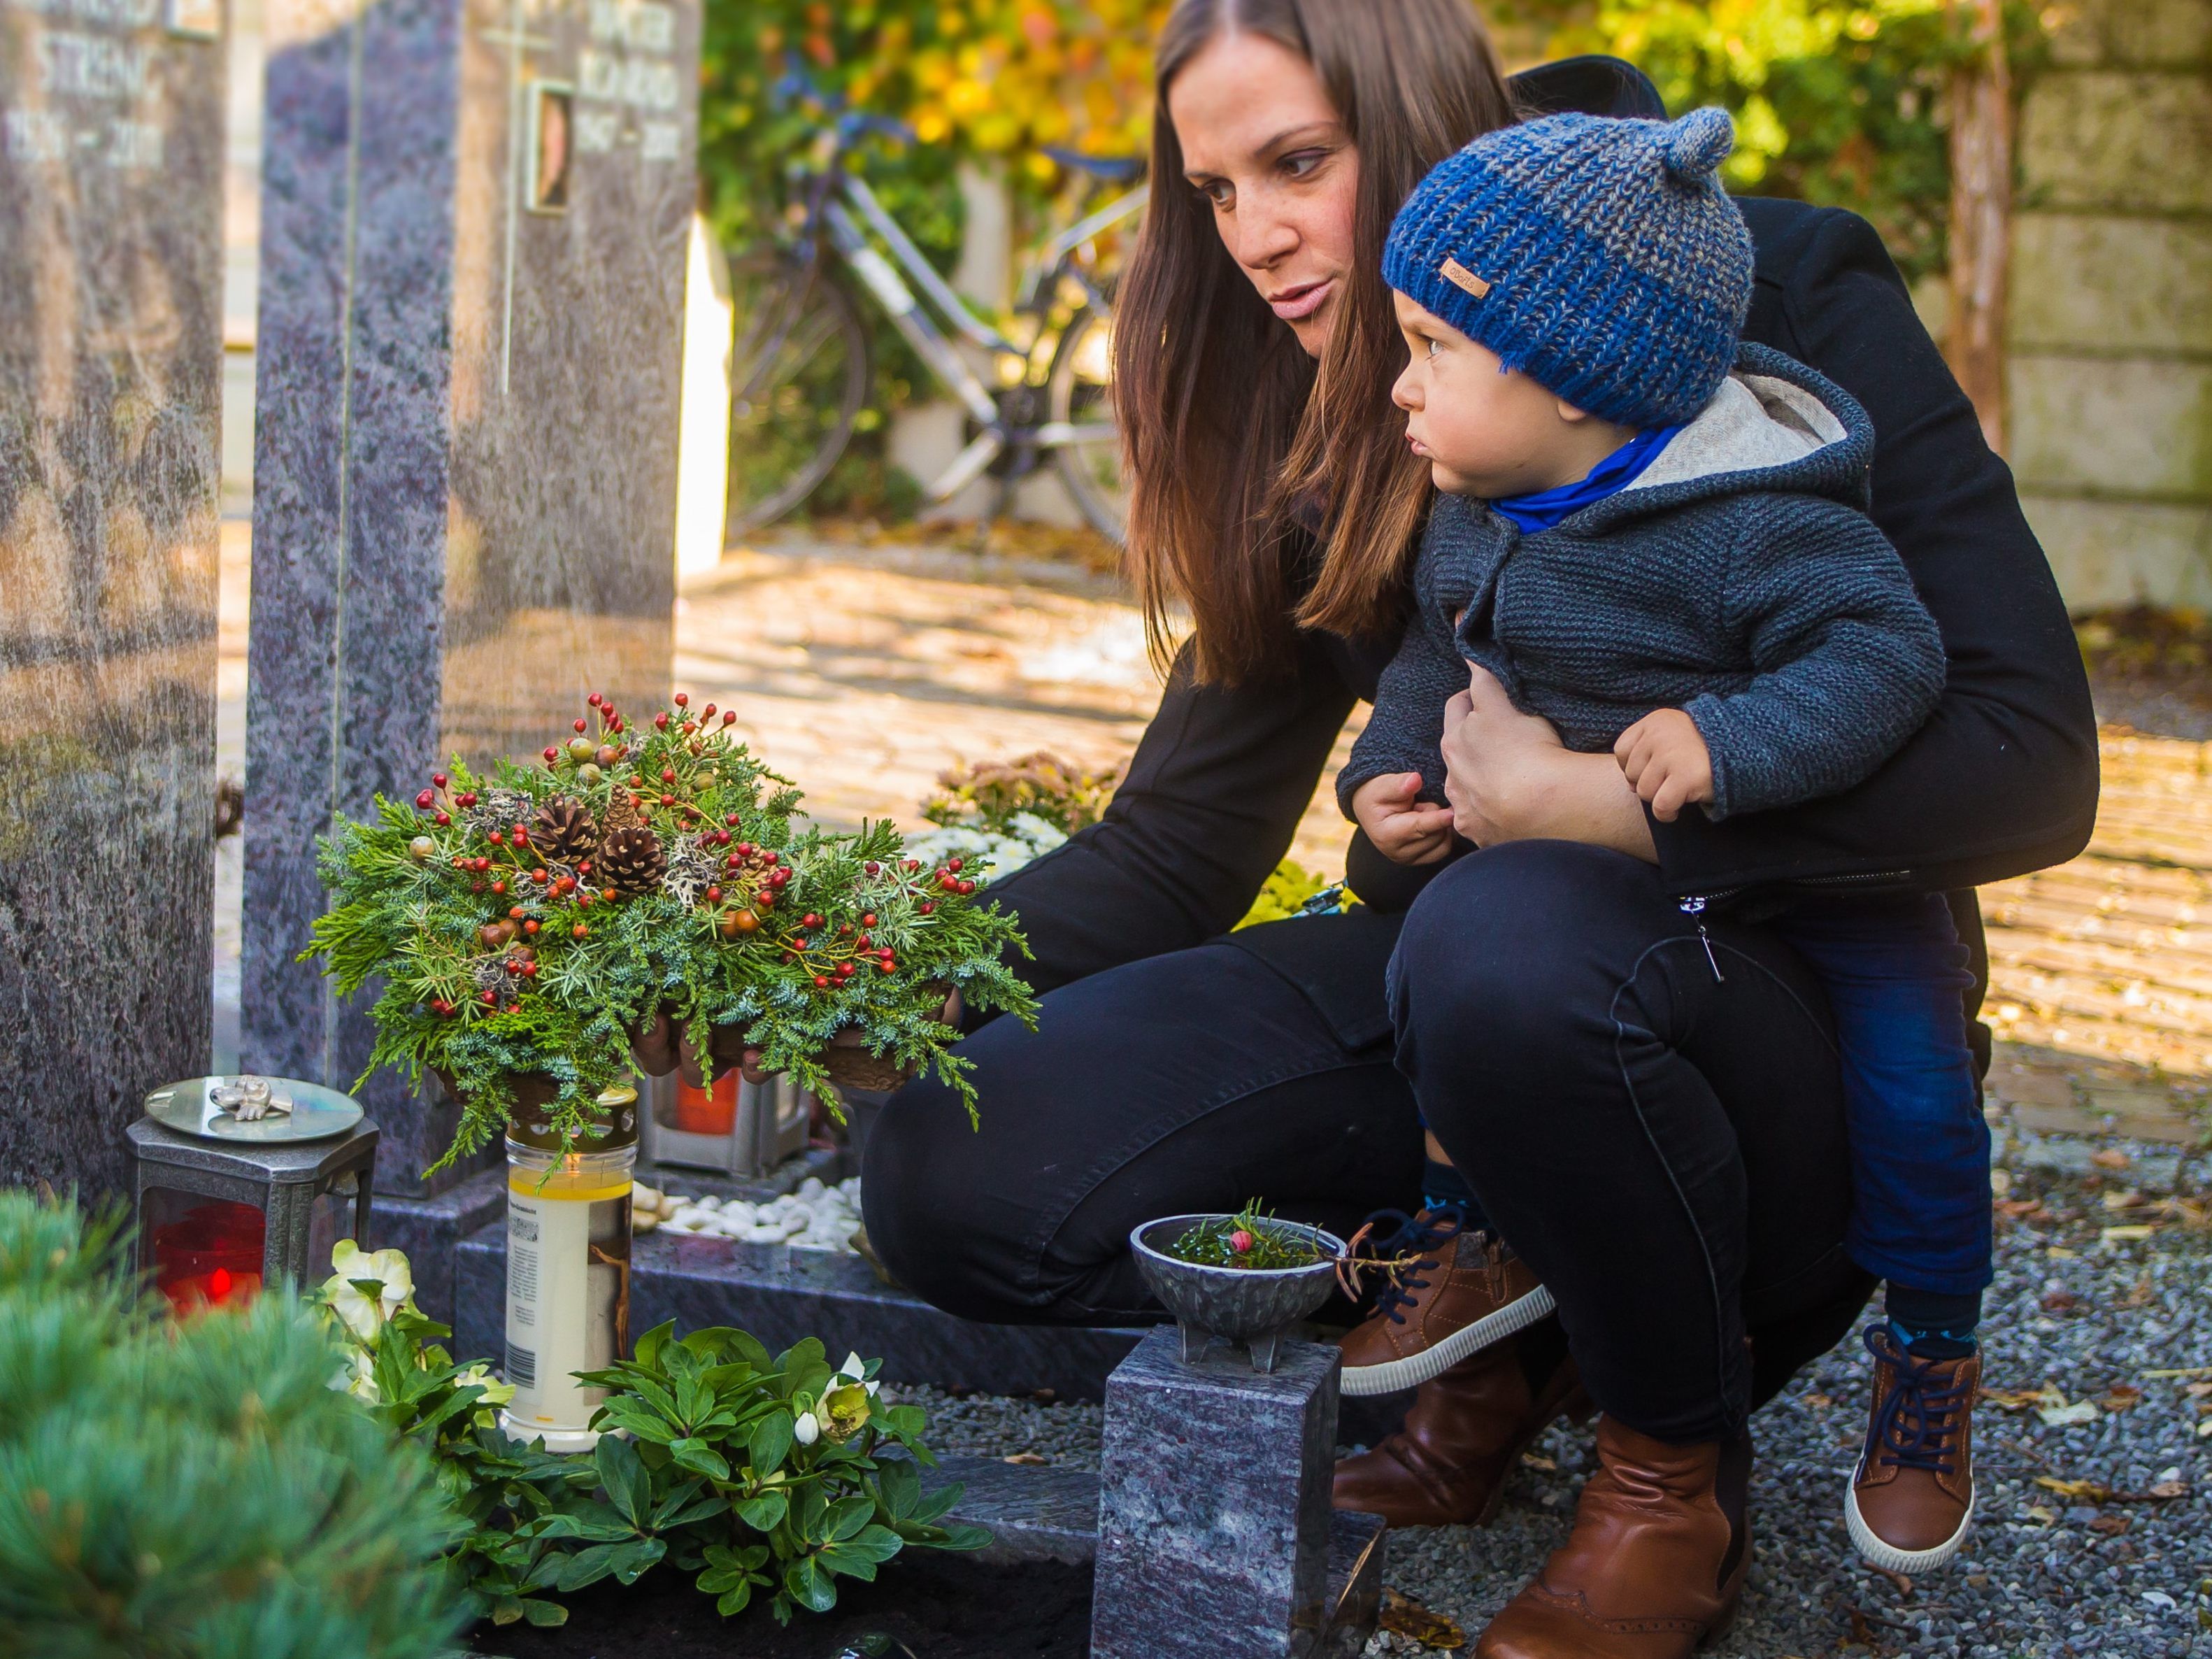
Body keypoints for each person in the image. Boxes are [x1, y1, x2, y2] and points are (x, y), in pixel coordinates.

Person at [649, 3, 2095, 1653]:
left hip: (1786, 1025)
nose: (1254, 235)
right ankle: (1481, 1328)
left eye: (1299, 163)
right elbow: (1176, 846)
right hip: (1474, 992)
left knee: (1508, 936)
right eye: (1210, 189)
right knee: (962, 1171)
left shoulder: (1760, 290)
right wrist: (821, 971)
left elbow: (2027, 756)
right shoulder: (1319, 400)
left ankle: (1666, 1470)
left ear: (1413, 118)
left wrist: (1612, 810)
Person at [1337, 105, 1988, 1588]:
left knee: (1919, 1094)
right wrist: (1387, 771)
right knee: (1439, 981)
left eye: (1436, 348)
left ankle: (1932, 1354)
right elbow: (1442, 653)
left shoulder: (1759, 518)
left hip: (1820, 901)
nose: (1398, 386)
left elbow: (1883, 658)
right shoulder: (1488, 500)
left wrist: (1724, 745)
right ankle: (1471, 1252)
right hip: (1599, 908)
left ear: (1576, 376)